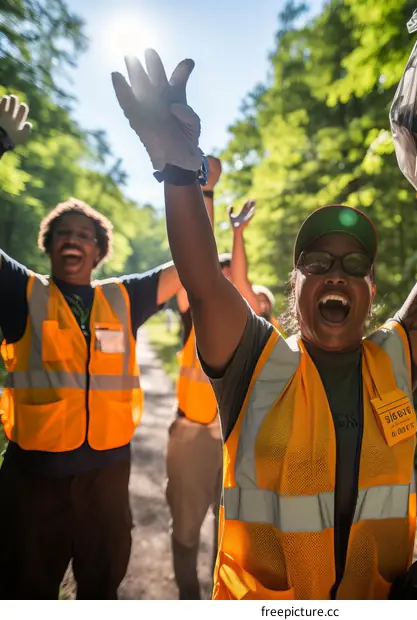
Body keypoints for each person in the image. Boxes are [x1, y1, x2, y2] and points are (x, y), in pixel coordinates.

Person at [112, 49, 417, 600]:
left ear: (370, 291)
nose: (337, 273)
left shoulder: (396, 358)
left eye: (355, 265)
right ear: (295, 287)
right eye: (318, 263)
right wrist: (179, 172)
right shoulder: (254, 363)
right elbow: (204, 280)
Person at [0, 95, 183, 600]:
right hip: (33, 479)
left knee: (102, 587)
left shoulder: (125, 297)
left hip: (106, 476)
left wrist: (191, 180)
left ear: (100, 251)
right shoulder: (22, 292)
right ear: (49, 245)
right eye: (62, 233)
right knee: (20, 591)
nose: (72, 240)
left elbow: (192, 262)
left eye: (83, 234)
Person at [166, 158, 224, 600]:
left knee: (231, 532)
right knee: (185, 529)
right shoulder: (193, 318)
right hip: (189, 436)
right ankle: (189, 599)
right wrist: (205, 194)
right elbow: (195, 257)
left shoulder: (247, 328)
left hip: (231, 444)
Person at [228, 199, 284, 333]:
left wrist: (238, 232)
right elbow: (240, 281)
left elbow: (240, 281)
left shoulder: (270, 326)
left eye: (265, 300)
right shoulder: (245, 319)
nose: (261, 304)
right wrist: (238, 233)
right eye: (255, 297)